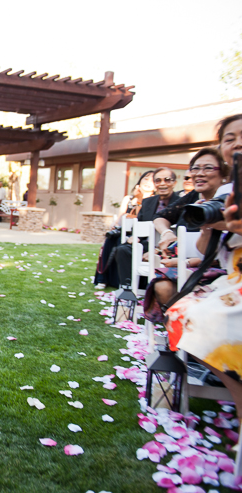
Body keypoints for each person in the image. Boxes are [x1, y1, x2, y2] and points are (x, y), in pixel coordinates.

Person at [164, 114, 242, 355]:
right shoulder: (225, 192)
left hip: (228, 279)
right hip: (232, 277)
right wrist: (209, 224)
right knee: (178, 312)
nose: (238, 143)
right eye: (230, 139)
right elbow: (203, 250)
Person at [142, 150, 229, 322]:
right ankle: (177, 328)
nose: (199, 173)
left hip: (215, 265)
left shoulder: (231, 201)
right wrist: (167, 233)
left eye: (208, 168)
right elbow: (160, 217)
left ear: (224, 174)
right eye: (195, 168)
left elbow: (225, 251)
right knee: (162, 284)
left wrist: (185, 261)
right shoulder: (193, 197)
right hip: (183, 258)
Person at [94, 169, 159, 289]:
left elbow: (144, 220)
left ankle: (121, 280)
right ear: (139, 181)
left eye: (152, 179)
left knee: (121, 243)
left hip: (143, 237)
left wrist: (142, 199)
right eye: (146, 178)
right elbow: (120, 218)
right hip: (124, 231)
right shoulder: (129, 199)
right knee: (110, 241)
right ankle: (102, 278)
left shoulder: (156, 201)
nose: (148, 182)